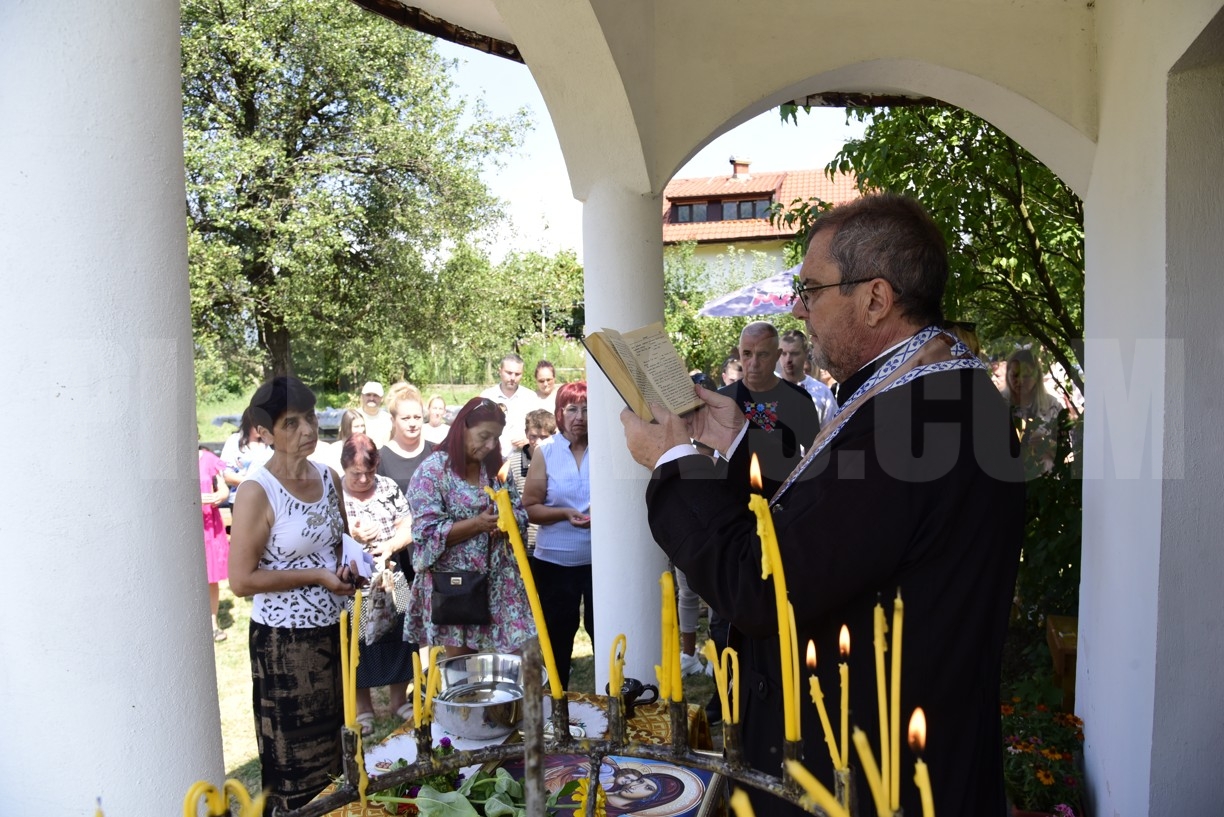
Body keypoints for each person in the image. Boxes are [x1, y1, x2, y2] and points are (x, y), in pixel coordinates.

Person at [620, 194, 1025, 816]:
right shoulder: (924, 388)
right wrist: (730, 444)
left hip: (868, 771)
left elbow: (766, 586)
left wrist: (674, 462)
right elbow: (828, 532)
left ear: (875, 298)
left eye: (810, 290)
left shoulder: (919, 418)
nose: (798, 310)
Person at [228, 376, 364, 814]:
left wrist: (348, 568)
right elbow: (241, 580)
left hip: (335, 631)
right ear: (264, 433)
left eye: (310, 417)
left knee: (339, 752)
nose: (307, 430)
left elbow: (338, 542)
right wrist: (317, 576)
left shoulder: (329, 477)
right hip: (285, 646)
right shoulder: (256, 492)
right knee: (295, 766)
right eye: (291, 423)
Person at [404, 397, 536, 657]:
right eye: (484, 436)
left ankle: (517, 699)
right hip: (458, 588)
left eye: (495, 439)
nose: (489, 445)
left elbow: (520, 513)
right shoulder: (432, 472)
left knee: (520, 663)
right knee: (463, 672)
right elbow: (425, 533)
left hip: (502, 584)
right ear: (461, 428)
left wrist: (506, 523)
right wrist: (478, 524)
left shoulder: (496, 468)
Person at [340, 433, 416, 734]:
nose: (363, 479)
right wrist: (353, 536)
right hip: (354, 584)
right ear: (344, 467)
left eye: (369, 473)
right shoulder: (337, 494)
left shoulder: (387, 487)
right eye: (356, 473)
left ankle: (399, 700)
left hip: (392, 575)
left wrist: (389, 545)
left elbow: (409, 524)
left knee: (402, 638)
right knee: (358, 644)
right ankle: (364, 709)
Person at [522, 382, 592, 688]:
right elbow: (531, 507)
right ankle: (559, 706)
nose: (580, 416)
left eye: (587, 409)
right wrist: (564, 513)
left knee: (603, 631)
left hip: (598, 562)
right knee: (557, 638)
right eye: (572, 409)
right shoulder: (546, 452)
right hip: (553, 562)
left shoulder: (606, 447)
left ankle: (611, 701)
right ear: (559, 413)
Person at [717, 321, 821, 498]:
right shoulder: (722, 400)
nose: (754, 363)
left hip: (784, 502)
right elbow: (704, 454)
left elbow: (816, 456)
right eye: (747, 354)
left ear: (777, 355)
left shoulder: (799, 399)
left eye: (763, 354)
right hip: (731, 505)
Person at [1003, 347, 1066, 477]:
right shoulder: (997, 403)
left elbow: (1066, 451)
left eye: (1025, 376)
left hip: (1045, 483)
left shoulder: (1053, 406)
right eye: (1014, 375)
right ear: (1007, 374)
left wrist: (1046, 444)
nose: (1019, 381)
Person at [505, 408, 558, 552]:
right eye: (533, 436)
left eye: (544, 437)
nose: (538, 442)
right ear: (526, 434)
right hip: (523, 540)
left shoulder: (559, 461)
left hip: (552, 540)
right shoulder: (514, 462)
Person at [198, 441, 230, 642]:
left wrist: (220, 495)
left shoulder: (208, 458)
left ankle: (212, 624)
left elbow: (224, 488)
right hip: (189, 524)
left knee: (211, 576)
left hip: (209, 523)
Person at [378, 385, 435, 495]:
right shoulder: (380, 459)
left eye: (417, 417)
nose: (412, 423)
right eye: (406, 418)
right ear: (393, 420)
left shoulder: (436, 452)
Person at [480, 353, 540, 456]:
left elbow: (540, 428)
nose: (513, 378)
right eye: (509, 373)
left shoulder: (531, 398)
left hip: (522, 458)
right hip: (491, 457)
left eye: (517, 374)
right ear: (500, 371)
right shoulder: (487, 397)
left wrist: (529, 440)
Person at [777, 328, 837, 427]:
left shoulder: (823, 393)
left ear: (806, 353)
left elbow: (832, 432)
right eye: (783, 353)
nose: (788, 359)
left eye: (794, 353)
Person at [313, 407, 366, 472]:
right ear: (347, 428)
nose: (361, 430)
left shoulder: (367, 447)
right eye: (356, 427)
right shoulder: (335, 450)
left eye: (362, 426)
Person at [359, 380, 393, 447]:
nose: (371, 398)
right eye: (368, 395)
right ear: (362, 396)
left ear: (382, 398)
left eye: (375, 395)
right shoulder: (353, 417)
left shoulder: (389, 419)